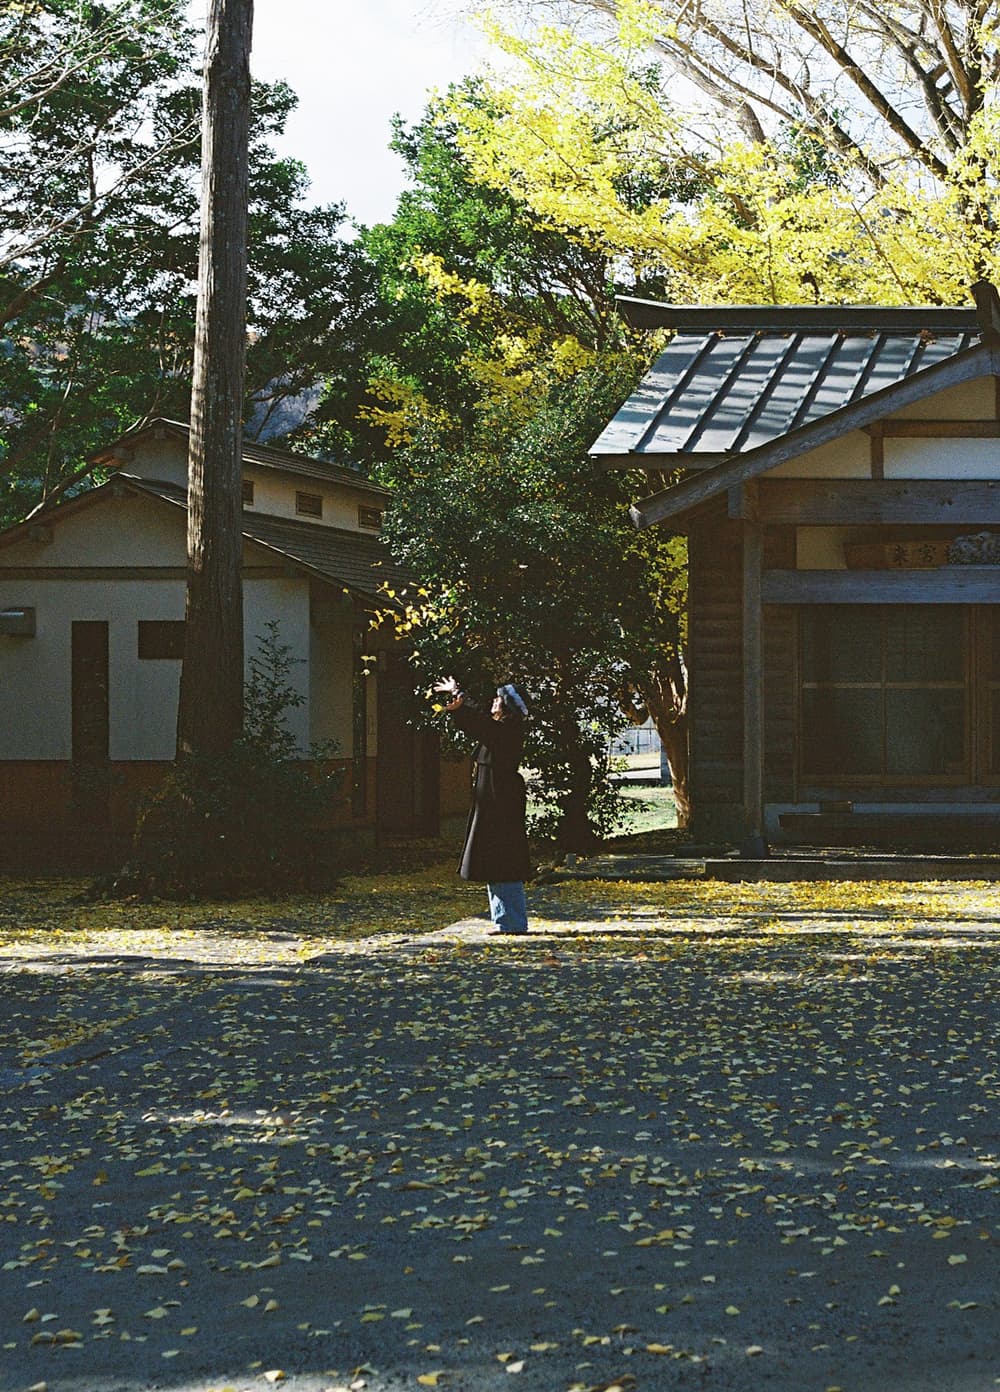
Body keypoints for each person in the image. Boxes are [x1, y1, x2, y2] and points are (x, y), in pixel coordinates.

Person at [433, 676, 532, 935]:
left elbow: (480, 724)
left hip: (501, 803)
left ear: (507, 707)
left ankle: (513, 922)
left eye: (498, 700)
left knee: (505, 860)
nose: (493, 702)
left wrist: (459, 693)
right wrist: (458, 705)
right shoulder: (500, 730)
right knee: (494, 860)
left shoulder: (508, 730)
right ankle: (504, 920)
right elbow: (477, 724)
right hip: (494, 802)